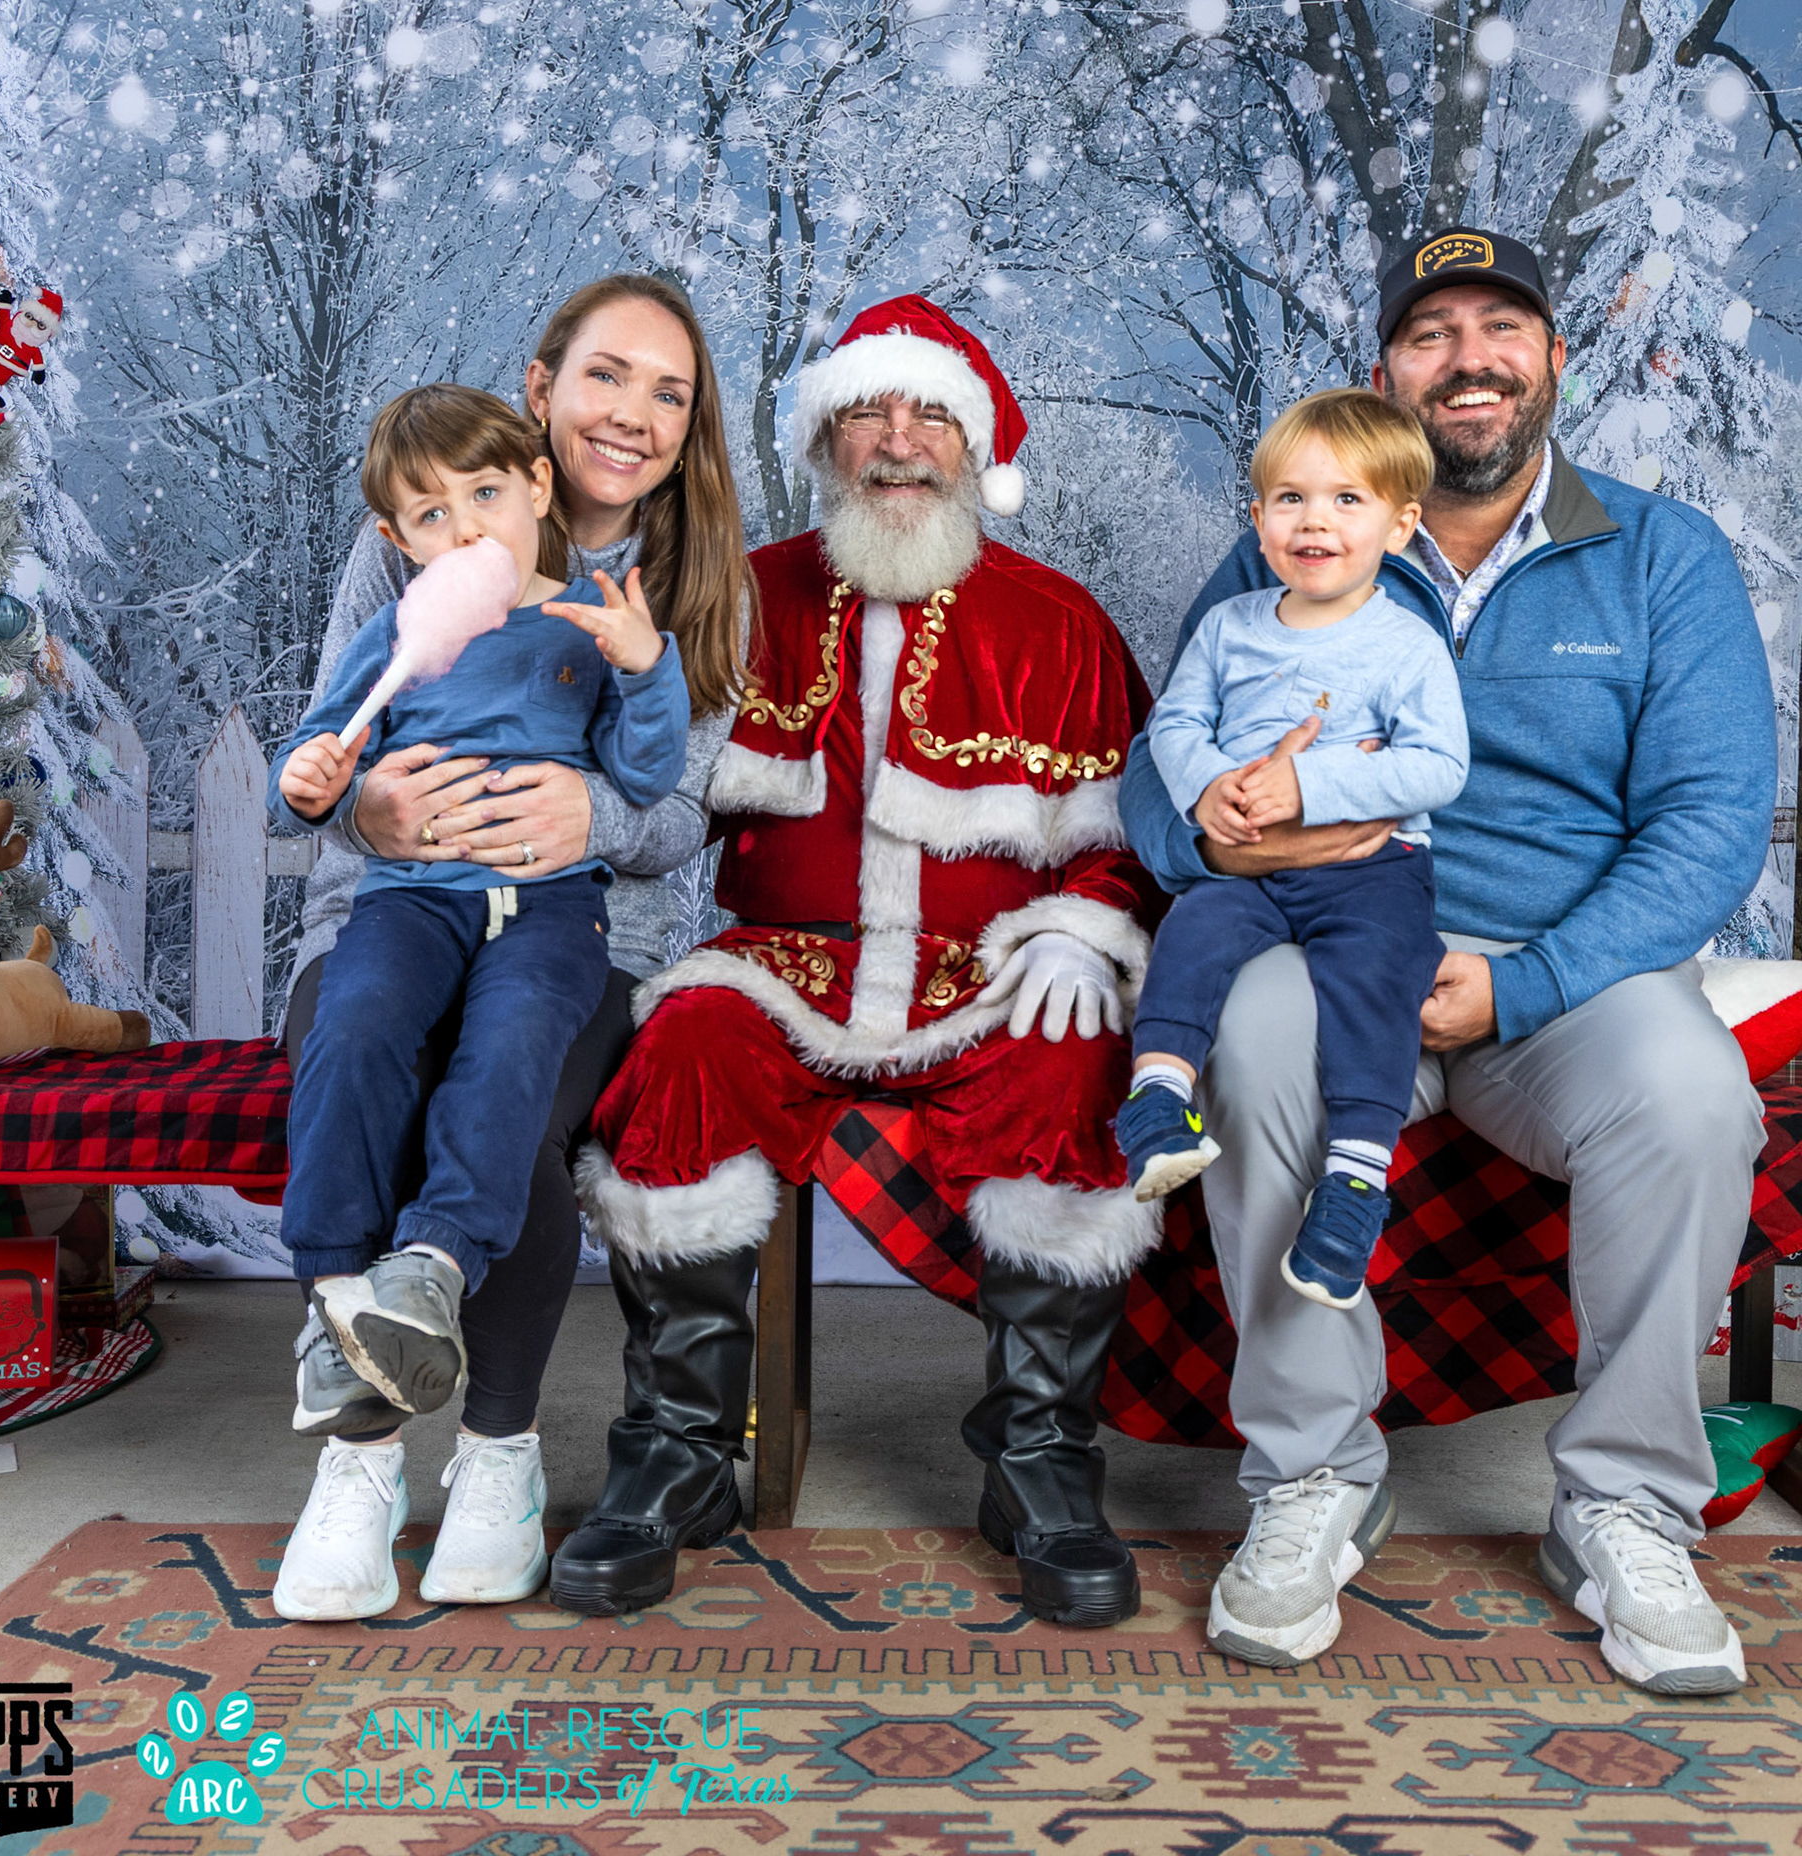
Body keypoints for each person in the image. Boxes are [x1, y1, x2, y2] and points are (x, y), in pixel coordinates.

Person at [1119, 229, 1777, 1694]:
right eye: (1432, 334)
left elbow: (1711, 821)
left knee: (1690, 1098)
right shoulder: (1299, 536)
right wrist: (1217, 836)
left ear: (1553, 361)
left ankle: (1625, 1504)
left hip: (1567, 977)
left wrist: (1525, 983)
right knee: (1255, 1043)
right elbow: (1161, 773)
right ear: (1387, 373)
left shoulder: (1661, 556)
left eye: (1500, 328)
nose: (1468, 359)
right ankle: (1314, 1474)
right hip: (1332, 938)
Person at [554, 295, 1160, 1628]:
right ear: (825, 441)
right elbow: (653, 789)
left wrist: (1081, 929)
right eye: (866, 413)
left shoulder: (1061, 623)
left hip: (990, 972)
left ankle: (1040, 1458)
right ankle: (679, 1450)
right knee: (683, 1048)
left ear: (976, 445)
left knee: (1073, 1065)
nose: (897, 440)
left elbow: (1135, 840)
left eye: (930, 413)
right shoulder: (740, 596)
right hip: (783, 966)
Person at [274, 275, 755, 1620]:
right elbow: (332, 738)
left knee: (516, 1105)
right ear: (542, 394)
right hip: (389, 905)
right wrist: (361, 805)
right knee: (369, 1056)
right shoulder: (413, 534)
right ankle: (360, 1456)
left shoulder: (688, 583)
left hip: (577, 921)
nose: (635, 413)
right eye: (607, 375)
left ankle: (497, 1447)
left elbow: (679, 810)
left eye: (670, 392)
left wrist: (588, 811)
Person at [1117, 389, 1467, 1312]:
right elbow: (1175, 724)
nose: (1316, 521)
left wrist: (1311, 786)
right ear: (1259, 521)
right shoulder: (1230, 627)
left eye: (1347, 500)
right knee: (1192, 931)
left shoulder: (1405, 645)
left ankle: (1354, 1179)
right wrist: (1208, 789)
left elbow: (1439, 766)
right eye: (1291, 499)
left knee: (1376, 978)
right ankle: (1159, 1097)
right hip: (1248, 862)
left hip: (1370, 871)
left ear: (1400, 527)